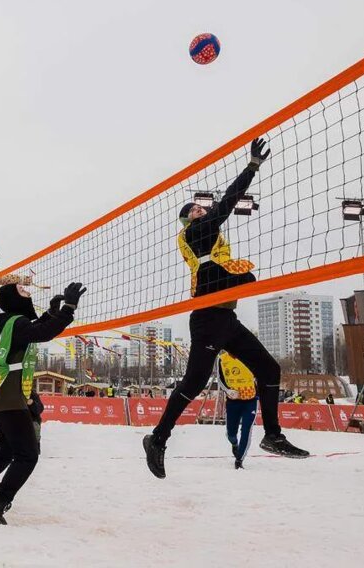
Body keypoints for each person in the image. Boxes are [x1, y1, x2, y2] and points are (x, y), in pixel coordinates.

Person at [143, 138, 307, 480]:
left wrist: (244, 277)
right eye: (194, 210)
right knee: (194, 382)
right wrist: (251, 167)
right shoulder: (195, 233)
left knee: (269, 369)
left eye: (201, 209)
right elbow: (226, 205)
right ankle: (157, 439)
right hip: (206, 319)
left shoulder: (214, 244)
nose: (200, 211)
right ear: (188, 220)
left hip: (225, 318)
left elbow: (226, 271)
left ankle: (273, 435)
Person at [0, 282, 84, 525]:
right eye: (23, 292)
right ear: (14, 300)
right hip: (9, 394)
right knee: (28, 455)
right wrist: (68, 308)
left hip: (2, 392)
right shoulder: (17, 323)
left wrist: (51, 314)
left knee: (8, 450)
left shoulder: (10, 322)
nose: (28, 294)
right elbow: (42, 333)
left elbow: (35, 329)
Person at [218, 352, 257, 470]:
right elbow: (220, 379)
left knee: (246, 430)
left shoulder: (251, 355)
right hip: (233, 401)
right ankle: (234, 443)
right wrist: (228, 391)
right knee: (231, 434)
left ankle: (239, 459)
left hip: (250, 400)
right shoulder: (222, 359)